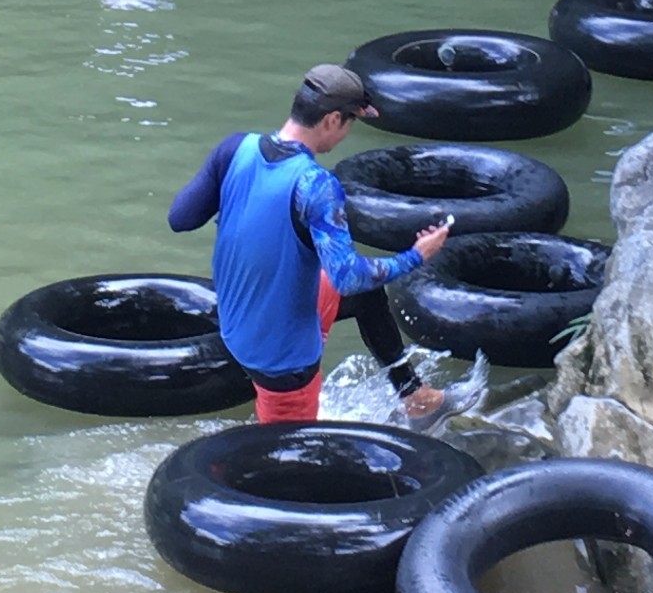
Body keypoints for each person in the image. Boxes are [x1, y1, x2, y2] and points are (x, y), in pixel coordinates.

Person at [169, 64, 450, 422]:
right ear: (333, 119)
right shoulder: (316, 185)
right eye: (352, 123)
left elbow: (180, 219)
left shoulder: (235, 149)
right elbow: (348, 276)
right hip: (282, 362)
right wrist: (415, 256)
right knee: (292, 461)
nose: (346, 134)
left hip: (236, 323)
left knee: (364, 297)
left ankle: (413, 394)